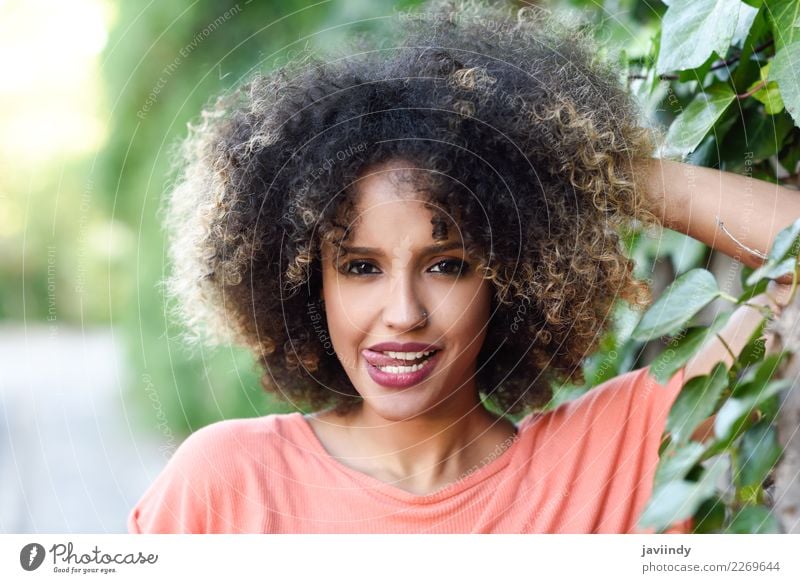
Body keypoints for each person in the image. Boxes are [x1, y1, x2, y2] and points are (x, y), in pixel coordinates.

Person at [127, 0, 799, 533]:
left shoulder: (618, 453)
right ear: (307, 282)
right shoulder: (223, 484)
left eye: (446, 264)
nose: (403, 312)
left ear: (510, 274)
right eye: (360, 267)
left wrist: (589, 173)